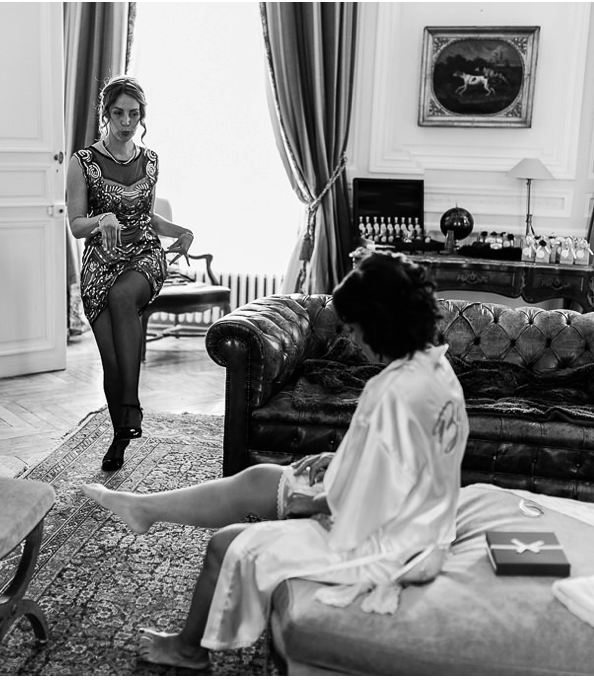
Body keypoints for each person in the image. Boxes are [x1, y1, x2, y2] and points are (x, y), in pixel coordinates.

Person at [81, 251, 470, 669]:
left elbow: (364, 501)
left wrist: (314, 504)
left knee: (224, 546)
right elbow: (403, 463)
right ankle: (145, 509)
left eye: (356, 330)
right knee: (264, 479)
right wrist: (338, 461)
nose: (354, 341)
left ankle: (189, 650)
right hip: (417, 520)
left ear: (381, 324)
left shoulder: (393, 392)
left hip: (390, 545)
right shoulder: (436, 369)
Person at [67, 75, 194, 471]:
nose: (126, 122)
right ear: (106, 114)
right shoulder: (82, 162)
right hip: (100, 263)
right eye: (119, 113)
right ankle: (120, 437)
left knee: (124, 297)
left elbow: (147, 216)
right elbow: (75, 224)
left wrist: (182, 231)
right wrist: (100, 218)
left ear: (142, 116)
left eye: (134, 114)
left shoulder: (151, 160)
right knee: (111, 363)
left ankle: (132, 408)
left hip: (144, 256)